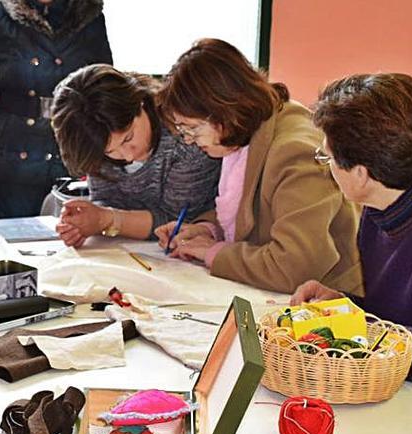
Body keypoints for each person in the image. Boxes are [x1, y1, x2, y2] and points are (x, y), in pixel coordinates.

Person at [290, 74, 412, 403]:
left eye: (327, 159)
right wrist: (343, 307)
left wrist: (344, 328)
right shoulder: (379, 209)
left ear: (361, 173)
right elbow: (405, 320)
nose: (327, 167)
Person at [153, 39, 363, 295]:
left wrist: (213, 252)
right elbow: (256, 214)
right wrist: (207, 230)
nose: (189, 140)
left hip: (324, 303)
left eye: (193, 128)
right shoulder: (250, 133)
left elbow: (293, 268)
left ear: (225, 111)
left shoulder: (295, 152)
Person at [0, 0, 113, 219]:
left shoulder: (89, 16)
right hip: (9, 161)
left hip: (68, 154)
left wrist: (104, 165)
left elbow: (105, 93)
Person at [50, 63, 220, 246]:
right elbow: (106, 201)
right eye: (110, 151)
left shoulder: (185, 138)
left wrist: (105, 220)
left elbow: (178, 220)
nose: (127, 156)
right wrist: (84, 223)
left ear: (139, 103)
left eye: (127, 138)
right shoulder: (96, 139)